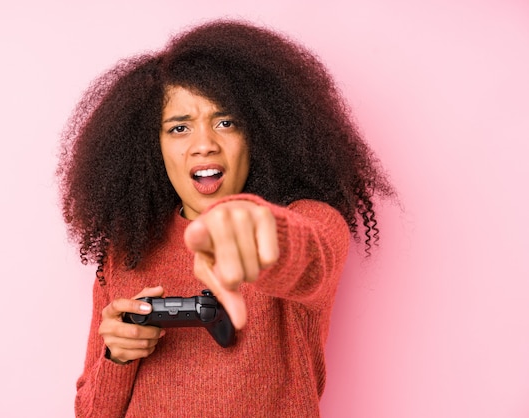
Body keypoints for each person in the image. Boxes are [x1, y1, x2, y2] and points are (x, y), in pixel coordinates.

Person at [57, 19, 394, 417]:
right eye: (179, 127)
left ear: (261, 132)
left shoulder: (309, 220)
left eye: (225, 122)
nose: (204, 144)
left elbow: (310, 256)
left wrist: (258, 230)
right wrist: (118, 358)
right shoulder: (127, 248)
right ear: (153, 148)